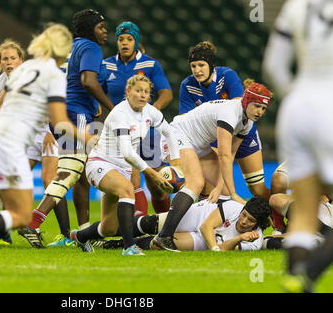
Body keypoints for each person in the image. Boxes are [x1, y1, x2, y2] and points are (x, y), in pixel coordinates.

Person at [0, 23, 94, 275]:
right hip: (9, 146)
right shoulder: (55, 75)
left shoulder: (24, 69)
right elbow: (60, 122)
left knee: (15, 212)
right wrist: (87, 136)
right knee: (22, 215)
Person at [18, 9, 113, 247]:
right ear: (91, 28)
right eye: (101, 27)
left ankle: (83, 234)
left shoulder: (72, 47)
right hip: (76, 113)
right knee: (72, 169)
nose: (105, 31)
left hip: (63, 111)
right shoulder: (92, 48)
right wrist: (111, 105)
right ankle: (34, 221)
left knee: (79, 174)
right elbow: (88, 81)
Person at [263, 0, 333, 292]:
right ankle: (308, 277)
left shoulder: (296, 3)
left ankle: (294, 276)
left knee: (303, 209)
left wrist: (299, 96)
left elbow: (273, 66)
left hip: (297, 109)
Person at [151, 82, 272, 252]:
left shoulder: (248, 122)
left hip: (199, 145)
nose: (259, 111)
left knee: (220, 191)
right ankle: (164, 236)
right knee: (196, 183)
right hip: (178, 135)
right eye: (256, 106)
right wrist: (233, 193)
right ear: (246, 102)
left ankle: (209, 232)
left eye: (263, 108)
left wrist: (224, 189)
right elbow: (222, 154)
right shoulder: (230, 113)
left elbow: (229, 156)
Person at [70, 75, 178, 255]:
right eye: (138, 91)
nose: (142, 95)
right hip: (101, 163)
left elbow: (170, 133)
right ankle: (129, 247)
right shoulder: (120, 114)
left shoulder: (150, 112)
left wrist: (176, 163)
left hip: (123, 169)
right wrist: (154, 174)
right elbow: (128, 153)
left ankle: (80, 236)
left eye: (146, 92)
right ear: (128, 92)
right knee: (128, 190)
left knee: (109, 229)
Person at [0, 39, 73, 247]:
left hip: (47, 134)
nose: (9, 62)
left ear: (21, 60)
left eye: (13, 58)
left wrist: (49, 131)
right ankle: (5, 232)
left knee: (50, 181)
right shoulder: (0, 84)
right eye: (4, 59)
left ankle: (66, 236)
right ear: (0, 63)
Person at [179, 41, 271, 204]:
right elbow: (186, 118)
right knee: (212, 185)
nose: (197, 70)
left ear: (211, 65)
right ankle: (213, 221)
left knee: (257, 189)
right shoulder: (187, 85)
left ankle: (278, 219)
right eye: (193, 66)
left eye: (201, 65)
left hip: (244, 134)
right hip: (217, 136)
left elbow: (239, 108)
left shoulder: (227, 75)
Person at [104, 21, 173, 216]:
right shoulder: (106, 65)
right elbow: (98, 92)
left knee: (157, 185)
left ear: (136, 41)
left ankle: (163, 224)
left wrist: (151, 113)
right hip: (122, 131)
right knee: (132, 178)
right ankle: (138, 225)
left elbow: (166, 93)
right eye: (120, 39)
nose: (124, 43)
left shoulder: (150, 64)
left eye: (129, 39)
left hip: (148, 133)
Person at [105, 196, 271, 252]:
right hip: (199, 216)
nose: (243, 221)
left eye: (250, 221)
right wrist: (214, 249)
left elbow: (225, 248)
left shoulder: (254, 241)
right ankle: (102, 230)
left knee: (159, 244)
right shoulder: (233, 207)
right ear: (242, 209)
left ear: (257, 224)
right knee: (150, 224)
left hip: (206, 240)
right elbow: (205, 226)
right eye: (244, 215)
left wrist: (239, 238)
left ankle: (117, 244)